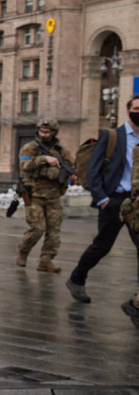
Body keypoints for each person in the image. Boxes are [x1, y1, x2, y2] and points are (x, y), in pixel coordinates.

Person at [68, 95, 139, 313]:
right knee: (102, 245)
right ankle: (77, 278)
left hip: (136, 202)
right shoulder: (112, 136)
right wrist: (103, 199)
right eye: (137, 107)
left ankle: (137, 300)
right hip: (114, 200)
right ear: (128, 111)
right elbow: (92, 169)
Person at [16, 118, 75, 272]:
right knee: (37, 228)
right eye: (42, 131)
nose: (44, 134)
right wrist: (44, 159)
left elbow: (71, 166)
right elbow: (24, 165)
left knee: (54, 232)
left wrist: (72, 174)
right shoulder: (30, 148)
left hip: (54, 197)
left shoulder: (61, 151)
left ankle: (46, 261)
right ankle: (23, 251)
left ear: (54, 132)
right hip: (34, 195)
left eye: (47, 132)